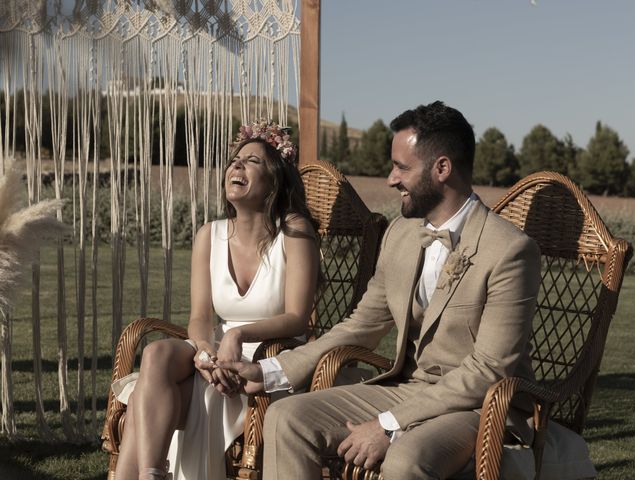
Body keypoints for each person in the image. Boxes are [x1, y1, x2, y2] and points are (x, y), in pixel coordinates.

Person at [220, 101, 542, 479]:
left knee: (406, 458)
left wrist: (389, 424)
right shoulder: (401, 234)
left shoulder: (510, 250)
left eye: (402, 167)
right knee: (286, 418)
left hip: (479, 407)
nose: (391, 179)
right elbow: (361, 325)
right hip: (408, 387)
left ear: (442, 169)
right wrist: (268, 372)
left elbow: (489, 369)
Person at [111, 121, 320, 480]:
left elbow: (298, 318)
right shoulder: (210, 234)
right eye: (235, 160)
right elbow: (200, 316)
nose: (236, 166)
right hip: (216, 348)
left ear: (275, 179)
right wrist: (205, 353)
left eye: (252, 160)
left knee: (141, 405)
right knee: (155, 354)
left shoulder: (295, 230)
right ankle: (152, 473)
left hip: (272, 354)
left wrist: (238, 337)